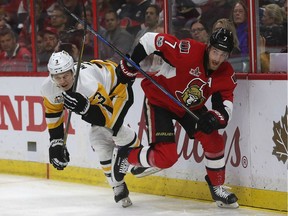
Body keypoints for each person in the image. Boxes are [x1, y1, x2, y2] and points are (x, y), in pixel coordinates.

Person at [112, 28, 239, 208]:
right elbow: (150, 40)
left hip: (189, 107)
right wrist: (132, 63)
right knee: (167, 158)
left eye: (223, 54)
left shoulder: (225, 74)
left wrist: (213, 117)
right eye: (215, 51)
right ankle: (126, 155)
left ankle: (217, 188)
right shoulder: (188, 51)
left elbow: (225, 108)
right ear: (208, 47)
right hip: (160, 101)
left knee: (214, 140)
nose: (217, 58)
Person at [40, 49, 147, 208]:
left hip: (117, 86)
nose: (62, 81)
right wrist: (55, 141)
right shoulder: (48, 88)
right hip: (100, 91)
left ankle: (143, 156)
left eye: (66, 76)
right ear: (51, 76)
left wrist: (86, 109)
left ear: (73, 72)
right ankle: (117, 185)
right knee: (97, 138)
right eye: (57, 77)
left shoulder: (87, 85)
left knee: (112, 127)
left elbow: (107, 114)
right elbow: (53, 113)